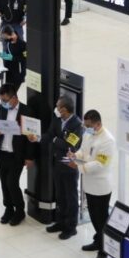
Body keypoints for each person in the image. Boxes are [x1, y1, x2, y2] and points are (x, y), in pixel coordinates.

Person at [29, 96, 84, 239]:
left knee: (70, 197)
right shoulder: (57, 120)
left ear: (64, 109)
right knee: (59, 195)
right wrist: (38, 138)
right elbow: (49, 134)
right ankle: (60, 221)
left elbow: (70, 146)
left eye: (58, 106)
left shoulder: (77, 125)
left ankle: (71, 227)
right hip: (57, 163)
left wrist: (55, 140)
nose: (56, 109)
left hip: (69, 166)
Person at [69, 109, 115, 258]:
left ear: (97, 123)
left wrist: (79, 167)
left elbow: (100, 164)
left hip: (101, 186)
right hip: (89, 183)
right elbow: (83, 150)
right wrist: (75, 155)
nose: (86, 128)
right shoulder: (88, 133)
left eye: (88, 125)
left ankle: (104, 251)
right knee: (94, 216)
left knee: (101, 218)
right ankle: (98, 240)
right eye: (85, 125)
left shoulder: (107, 140)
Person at [0, 84, 36, 227]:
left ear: (14, 98)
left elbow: (30, 137)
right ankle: (8, 208)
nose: (3, 103)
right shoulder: (1, 108)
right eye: (1, 100)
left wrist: (29, 157)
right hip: (2, 152)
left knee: (12, 183)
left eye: (5, 100)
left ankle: (19, 210)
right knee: (4, 183)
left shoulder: (26, 111)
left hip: (17, 154)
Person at [0, 24, 27, 92]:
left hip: (18, 74)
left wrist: (11, 58)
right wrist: (4, 56)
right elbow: (8, 56)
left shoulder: (23, 45)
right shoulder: (8, 43)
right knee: (8, 93)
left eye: (6, 36)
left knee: (11, 94)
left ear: (12, 34)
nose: (5, 39)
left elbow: (25, 59)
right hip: (9, 73)